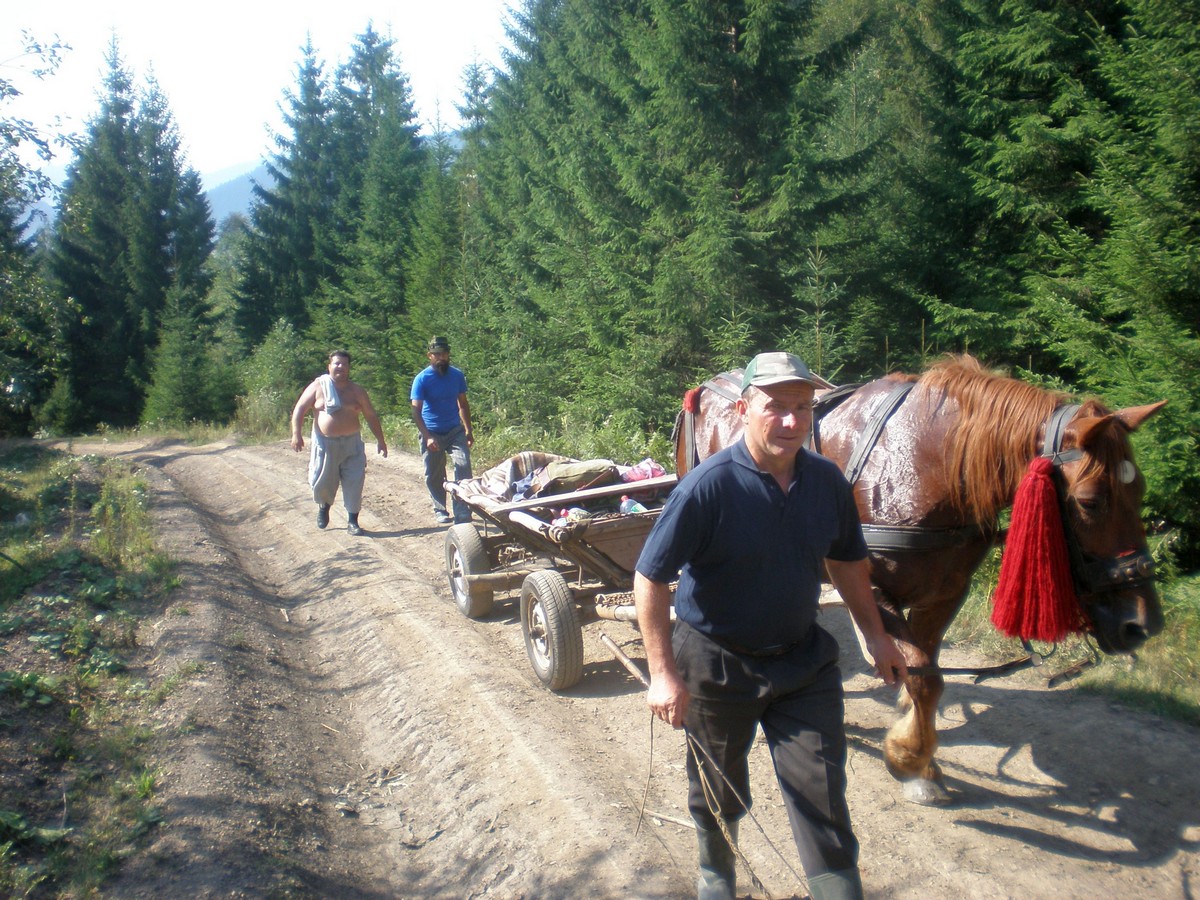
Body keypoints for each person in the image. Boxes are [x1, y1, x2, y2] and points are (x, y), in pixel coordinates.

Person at [633, 351, 908, 900]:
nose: (790, 421)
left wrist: (876, 635)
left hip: (802, 661)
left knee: (822, 790)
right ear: (743, 409)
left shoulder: (827, 482)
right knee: (718, 785)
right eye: (775, 406)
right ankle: (716, 873)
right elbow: (650, 578)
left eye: (802, 407)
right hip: (716, 661)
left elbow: (848, 562)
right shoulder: (707, 487)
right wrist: (662, 673)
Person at [290, 349, 388, 536]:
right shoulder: (318, 386)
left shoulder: (357, 391)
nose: (340, 367)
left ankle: (353, 521)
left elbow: (370, 415)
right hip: (326, 444)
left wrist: (380, 440)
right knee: (323, 482)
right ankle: (324, 506)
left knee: (354, 481)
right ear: (329, 366)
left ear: (349, 368)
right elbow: (300, 409)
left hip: (352, 444)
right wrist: (296, 434)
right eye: (336, 363)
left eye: (344, 364)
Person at [410, 336, 474, 525]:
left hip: (455, 430)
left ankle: (462, 511)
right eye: (437, 354)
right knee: (434, 472)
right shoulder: (422, 379)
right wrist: (428, 436)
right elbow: (416, 411)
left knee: (463, 466)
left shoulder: (457, 375)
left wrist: (469, 430)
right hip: (432, 431)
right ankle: (440, 509)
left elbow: (463, 404)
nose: (441, 358)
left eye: (444, 354)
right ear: (429, 355)